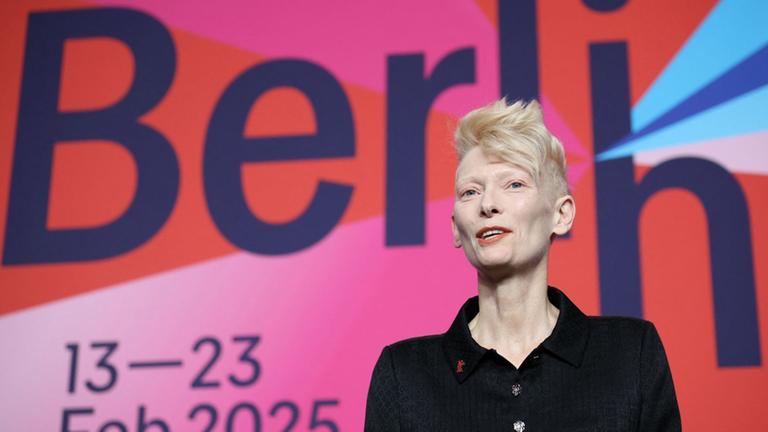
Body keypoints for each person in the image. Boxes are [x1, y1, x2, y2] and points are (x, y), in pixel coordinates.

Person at [364, 99, 681, 431]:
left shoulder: (630, 354)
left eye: (514, 184)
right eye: (470, 192)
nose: (488, 204)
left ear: (561, 214)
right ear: (456, 228)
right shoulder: (404, 374)